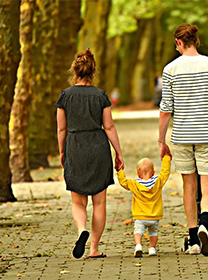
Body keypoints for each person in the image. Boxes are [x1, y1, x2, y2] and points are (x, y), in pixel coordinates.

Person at [158, 24, 208, 257]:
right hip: (207, 133)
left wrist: (161, 140)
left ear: (178, 42)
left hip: (182, 135)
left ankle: (194, 239)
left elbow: (166, 108)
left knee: (188, 186)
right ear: (196, 40)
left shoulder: (171, 69)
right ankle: (206, 222)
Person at [56, 48, 124, 259]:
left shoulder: (65, 96)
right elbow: (110, 127)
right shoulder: (100, 95)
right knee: (100, 202)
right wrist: (119, 153)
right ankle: (94, 249)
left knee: (78, 202)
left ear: (74, 72)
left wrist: (62, 151)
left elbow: (61, 129)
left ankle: (81, 231)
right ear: (93, 72)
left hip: (75, 146)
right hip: (98, 146)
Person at [117, 155, 171, 257]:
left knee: (138, 231)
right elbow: (165, 172)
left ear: (138, 174)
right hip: (154, 216)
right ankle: (152, 248)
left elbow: (123, 182)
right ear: (153, 172)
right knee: (153, 232)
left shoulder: (134, 184)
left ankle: (138, 246)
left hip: (140, 216)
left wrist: (120, 171)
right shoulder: (158, 181)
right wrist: (166, 158)